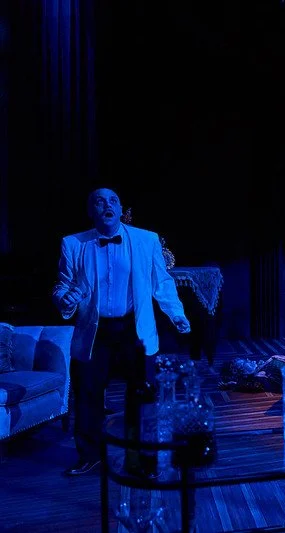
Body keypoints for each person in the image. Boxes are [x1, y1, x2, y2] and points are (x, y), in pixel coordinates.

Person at [53, 187, 191, 476]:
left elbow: (162, 282)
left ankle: (142, 459)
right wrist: (65, 299)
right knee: (87, 394)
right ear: (91, 211)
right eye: (99, 201)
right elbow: (62, 286)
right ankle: (89, 455)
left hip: (134, 329)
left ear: (120, 209)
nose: (107, 205)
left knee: (143, 395)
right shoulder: (73, 244)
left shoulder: (146, 239)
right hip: (95, 331)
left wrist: (176, 314)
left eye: (113, 200)